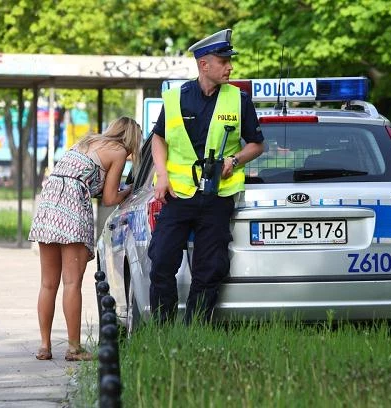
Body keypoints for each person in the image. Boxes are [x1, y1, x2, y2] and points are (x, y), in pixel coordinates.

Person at [149, 28, 265, 325]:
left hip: (218, 195)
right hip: (177, 195)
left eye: (229, 61)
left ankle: (195, 333)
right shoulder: (175, 98)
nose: (230, 67)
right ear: (204, 65)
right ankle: (162, 330)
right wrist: (161, 175)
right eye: (223, 61)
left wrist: (235, 160)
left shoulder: (239, 100)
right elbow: (158, 139)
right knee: (161, 260)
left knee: (209, 269)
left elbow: (256, 144)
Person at [29, 116, 142, 361]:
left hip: (49, 202)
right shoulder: (119, 151)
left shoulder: (87, 141)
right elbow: (110, 198)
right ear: (132, 138)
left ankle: (44, 346)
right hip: (72, 206)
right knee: (72, 283)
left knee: (48, 283)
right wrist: (129, 191)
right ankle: (73, 348)